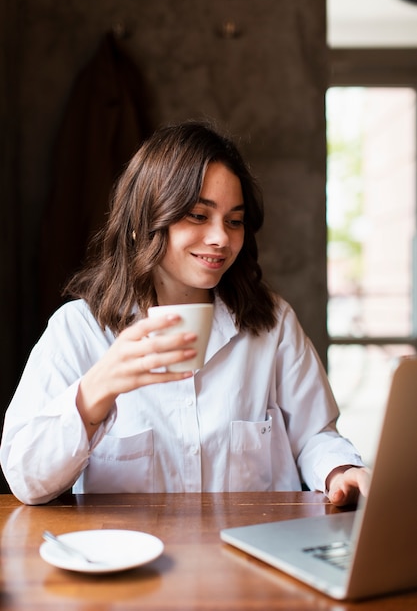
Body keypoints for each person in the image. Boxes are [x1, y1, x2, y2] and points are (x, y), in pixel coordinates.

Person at [0, 121, 369, 506]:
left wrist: (341, 472)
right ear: (145, 219)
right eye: (198, 215)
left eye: (234, 220)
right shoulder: (79, 331)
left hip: (248, 557)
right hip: (132, 557)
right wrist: (97, 390)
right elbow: (27, 481)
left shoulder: (271, 323)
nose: (221, 238)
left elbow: (313, 436)